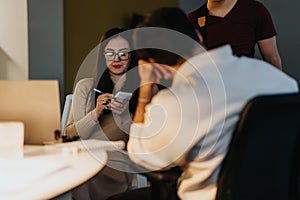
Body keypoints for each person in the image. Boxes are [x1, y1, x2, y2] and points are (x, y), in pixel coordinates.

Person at [108, 7, 298, 200]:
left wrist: (145, 93)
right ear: (198, 36)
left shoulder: (175, 104)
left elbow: (142, 158)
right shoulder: (278, 80)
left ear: (157, 67)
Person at [64, 27, 140, 200]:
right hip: (82, 153)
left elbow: (147, 140)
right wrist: (95, 113)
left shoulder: (143, 89)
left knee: (81, 177)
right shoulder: (86, 86)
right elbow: (69, 133)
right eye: (110, 53)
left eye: (123, 53)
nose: (116, 59)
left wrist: (125, 117)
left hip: (117, 159)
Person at [188, 0, 282, 70]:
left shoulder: (255, 11)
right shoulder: (192, 20)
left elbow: (271, 58)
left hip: (247, 85)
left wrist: (280, 91)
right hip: (214, 88)